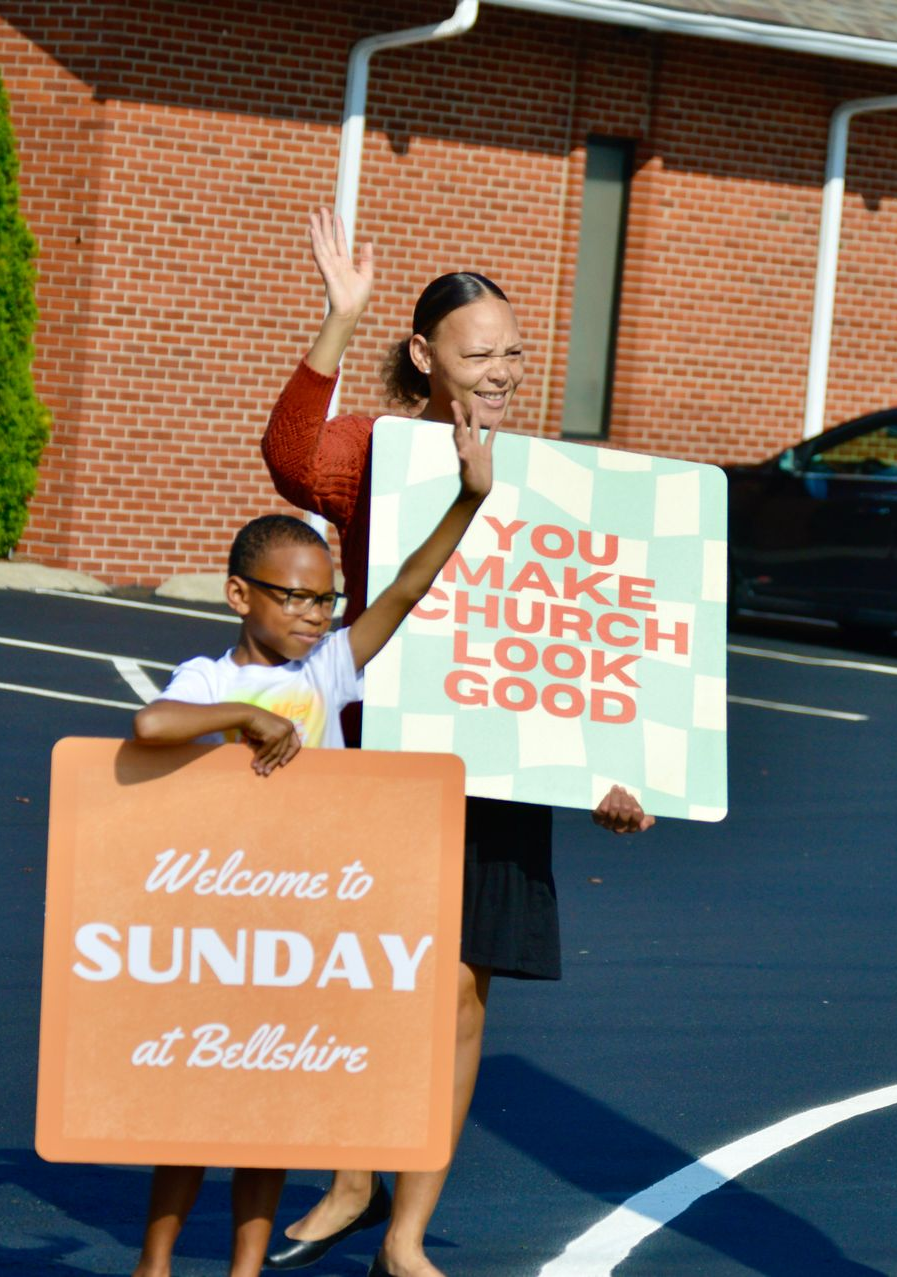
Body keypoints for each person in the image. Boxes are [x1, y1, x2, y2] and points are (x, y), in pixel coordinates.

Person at [259, 208, 655, 1277]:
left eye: (515, 354)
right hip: (380, 757)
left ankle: (405, 1232)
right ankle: (349, 1177)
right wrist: (339, 318)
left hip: (502, 764)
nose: (501, 372)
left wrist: (620, 767)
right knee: (361, 975)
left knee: (464, 994)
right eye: (479, 355)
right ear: (428, 358)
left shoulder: (554, 475)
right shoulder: (375, 454)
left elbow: (586, 635)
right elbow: (291, 460)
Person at [127, 392, 497, 1277]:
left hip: (306, 922)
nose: (314, 614)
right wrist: (245, 717)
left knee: (274, 1109)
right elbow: (151, 728)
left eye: (326, 598)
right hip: (220, 921)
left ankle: (246, 1268)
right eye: (294, 597)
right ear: (238, 594)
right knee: (200, 1108)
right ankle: (156, 1259)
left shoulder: (332, 665)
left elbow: (406, 584)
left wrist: (469, 498)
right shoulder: (209, 673)